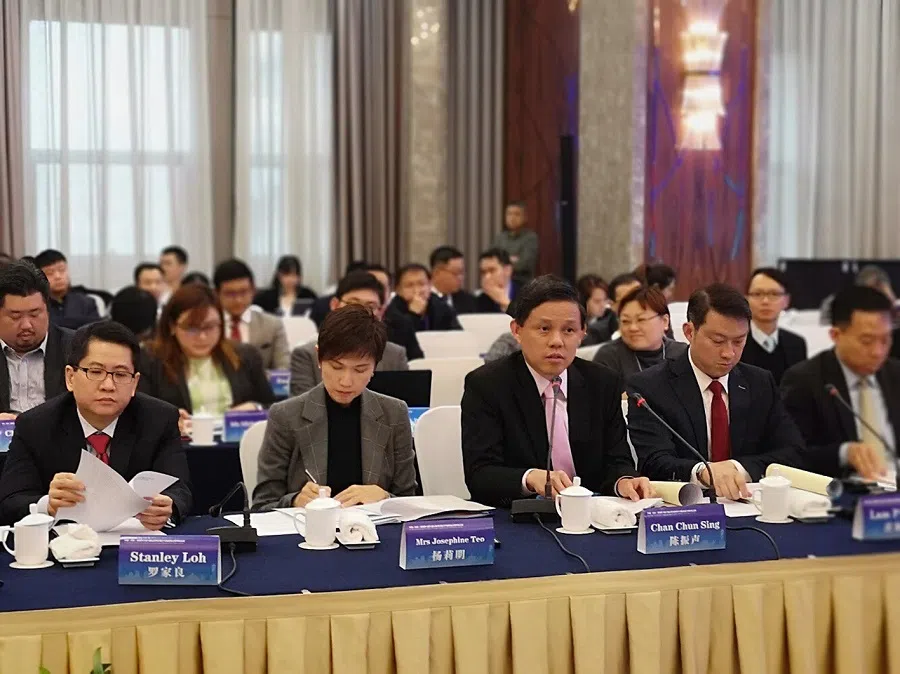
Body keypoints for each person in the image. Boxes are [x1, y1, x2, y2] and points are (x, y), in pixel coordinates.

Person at [461, 276, 653, 507]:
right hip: (522, 517)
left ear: (583, 333)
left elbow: (617, 459)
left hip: (592, 514)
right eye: (544, 329)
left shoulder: (602, 382)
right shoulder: (487, 385)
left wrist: (624, 480)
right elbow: (480, 474)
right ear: (517, 330)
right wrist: (530, 478)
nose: (556, 341)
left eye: (569, 330)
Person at [0, 320, 192, 526]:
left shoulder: (159, 419)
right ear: (70, 377)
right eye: (95, 372)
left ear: (135, 383)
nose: (108, 385)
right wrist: (47, 505)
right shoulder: (35, 426)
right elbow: (11, 501)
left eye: (120, 374)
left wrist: (167, 507)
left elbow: (180, 489)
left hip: (133, 545)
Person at [627, 284, 806, 500]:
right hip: (683, 508)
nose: (729, 353)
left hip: (749, 503)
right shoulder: (650, 387)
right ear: (689, 332)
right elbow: (653, 462)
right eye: (718, 341)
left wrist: (735, 469)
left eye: (739, 341)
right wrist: (704, 472)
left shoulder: (760, 382)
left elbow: (793, 452)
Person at [253, 305, 417, 510]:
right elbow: (262, 505)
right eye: (337, 367)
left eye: (360, 369)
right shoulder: (286, 416)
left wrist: (385, 496)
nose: (346, 381)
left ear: (375, 366)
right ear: (319, 358)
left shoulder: (394, 413)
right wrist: (295, 500)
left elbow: (409, 499)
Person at [781, 286, 899, 479]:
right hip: (843, 492)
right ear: (835, 335)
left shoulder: (895, 374)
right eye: (867, 341)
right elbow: (793, 454)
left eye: (885, 340)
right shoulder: (804, 380)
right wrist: (844, 453)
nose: (878, 352)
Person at [138, 284, 275, 432]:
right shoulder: (150, 360)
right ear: (172, 326)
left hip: (236, 446)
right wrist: (166, 420)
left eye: (210, 327)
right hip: (178, 448)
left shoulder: (245, 355)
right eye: (192, 328)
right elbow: (139, 415)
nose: (202, 336)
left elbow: (273, 408)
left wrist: (256, 407)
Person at [291, 271, 409, 396]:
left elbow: (406, 407)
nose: (361, 311)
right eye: (353, 303)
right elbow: (302, 409)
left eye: (371, 306)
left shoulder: (395, 355)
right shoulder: (306, 354)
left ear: (382, 311)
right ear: (335, 305)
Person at [0, 261, 74, 417]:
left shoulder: (77, 348)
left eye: (34, 314)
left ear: (47, 310)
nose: (26, 325)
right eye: (15, 316)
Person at [593, 286, 687, 379]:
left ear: (665, 321)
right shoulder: (608, 357)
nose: (633, 328)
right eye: (626, 321)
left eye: (641, 320)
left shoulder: (682, 353)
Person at [213, 259, 290, 370]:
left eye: (243, 292)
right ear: (217, 294)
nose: (238, 300)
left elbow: (283, 370)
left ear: (253, 290)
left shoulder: (272, 325)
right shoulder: (208, 327)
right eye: (230, 294)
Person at [740, 267, 807, 384]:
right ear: (746, 299)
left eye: (774, 294)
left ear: (786, 300)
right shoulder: (736, 343)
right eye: (757, 294)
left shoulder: (797, 344)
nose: (765, 301)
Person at [33, 250, 100, 330]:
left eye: (62, 270)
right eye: (50, 272)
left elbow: (97, 331)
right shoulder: (34, 306)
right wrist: (79, 321)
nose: (58, 276)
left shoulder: (87, 302)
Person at [385, 263, 462, 332]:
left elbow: (456, 333)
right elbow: (400, 339)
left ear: (430, 284)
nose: (417, 290)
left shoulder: (441, 306)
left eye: (421, 284)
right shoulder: (392, 311)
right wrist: (414, 314)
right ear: (398, 289)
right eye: (409, 285)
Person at [583, 272, 642, 345]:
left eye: (639, 298)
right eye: (626, 301)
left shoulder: (655, 323)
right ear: (612, 305)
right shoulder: (596, 333)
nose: (635, 304)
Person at [492, 201, 539, 285]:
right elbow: (491, 261)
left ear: (525, 217)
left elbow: (524, 264)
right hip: (500, 283)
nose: (512, 218)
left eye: (517, 214)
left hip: (522, 284)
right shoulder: (500, 238)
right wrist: (512, 259)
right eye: (509, 214)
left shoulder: (530, 238)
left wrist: (503, 261)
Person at [253, 255, 318, 316]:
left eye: (294, 275)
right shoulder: (266, 297)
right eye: (286, 275)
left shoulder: (308, 295)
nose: (290, 279)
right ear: (279, 275)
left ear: (299, 276)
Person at [430, 246, 477, 314]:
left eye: (462, 272)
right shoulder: (423, 299)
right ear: (437, 272)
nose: (461, 278)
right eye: (456, 273)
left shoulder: (468, 300)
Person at [475, 248, 521, 314]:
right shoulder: (480, 299)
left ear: (507, 270)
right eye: (483, 272)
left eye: (492, 270)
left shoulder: (526, 293)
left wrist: (504, 301)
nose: (487, 277)